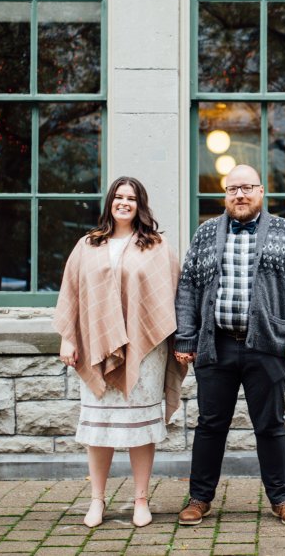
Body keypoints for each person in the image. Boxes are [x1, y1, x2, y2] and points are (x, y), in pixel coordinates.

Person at [174, 164, 285, 527]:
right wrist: (186, 338)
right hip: (215, 346)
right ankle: (199, 499)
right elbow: (187, 288)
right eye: (233, 189)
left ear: (261, 192)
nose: (240, 195)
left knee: (270, 425)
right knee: (210, 425)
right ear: (225, 195)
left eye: (247, 188)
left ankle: (282, 499)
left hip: (266, 346)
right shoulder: (206, 233)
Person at [53, 176, 186, 529]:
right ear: (110, 202)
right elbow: (71, 292)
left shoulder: (157, 246)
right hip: (95, 347)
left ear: (140, 205)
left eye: (131, 198)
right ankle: (97, 500)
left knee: (140, 428)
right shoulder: (88, 244)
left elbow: (172, 298)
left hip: (146, 352)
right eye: (118, 197)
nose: (124, 203)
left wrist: (183, 343)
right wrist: (68, 338)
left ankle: (141, 499)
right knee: (100, 428)